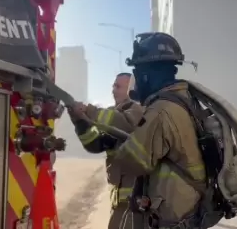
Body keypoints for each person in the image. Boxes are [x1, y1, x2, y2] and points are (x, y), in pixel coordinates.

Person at [109, 32, 207, 229]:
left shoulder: (161, 111)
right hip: (191, 210)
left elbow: (132, 162)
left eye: (137, 72)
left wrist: (114, 142)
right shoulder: (186, 100)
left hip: (174, 219)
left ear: (147, 74)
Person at [68, 72, 144, 229]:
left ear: (130, 89)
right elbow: (95, 144)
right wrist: (79, 121)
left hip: (136, 199)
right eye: (113, 86)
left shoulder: (138, 109)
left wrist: (88, 111)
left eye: (118, 86)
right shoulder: (112, 112)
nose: (113, 90)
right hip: (120, 199)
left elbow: (124, 124)